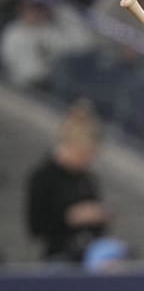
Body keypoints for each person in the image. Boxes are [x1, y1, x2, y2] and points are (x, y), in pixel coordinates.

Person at [25, 99, 111, 263]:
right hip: (59, 254)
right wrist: (70, 217)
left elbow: (100, 226)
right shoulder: (43, 177)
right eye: (84, 155)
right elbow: (36, 227)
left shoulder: (87, 177)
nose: (88, 161)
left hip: (90, 252)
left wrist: (98, 215)